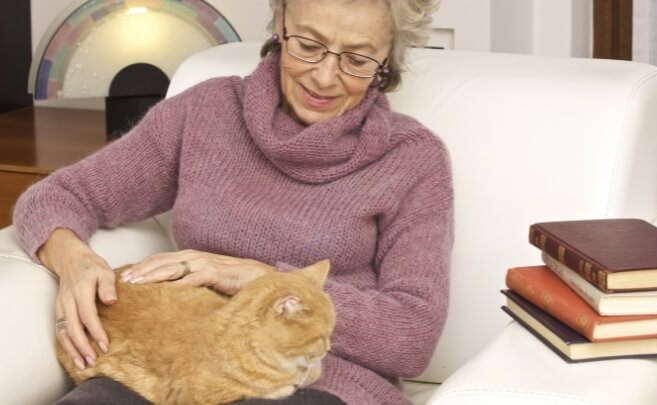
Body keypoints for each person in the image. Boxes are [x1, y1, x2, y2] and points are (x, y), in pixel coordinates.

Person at [13, 0, 452, 404]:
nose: (324, 76)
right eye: (308, 45)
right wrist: (75, 264)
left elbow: (412, 337)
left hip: (315, 381)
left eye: (357, 60)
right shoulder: (207, 111)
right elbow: (59, 196)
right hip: (170, 363)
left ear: (387, 60)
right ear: (280, 24)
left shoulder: (412, 159)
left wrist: (259, 280)